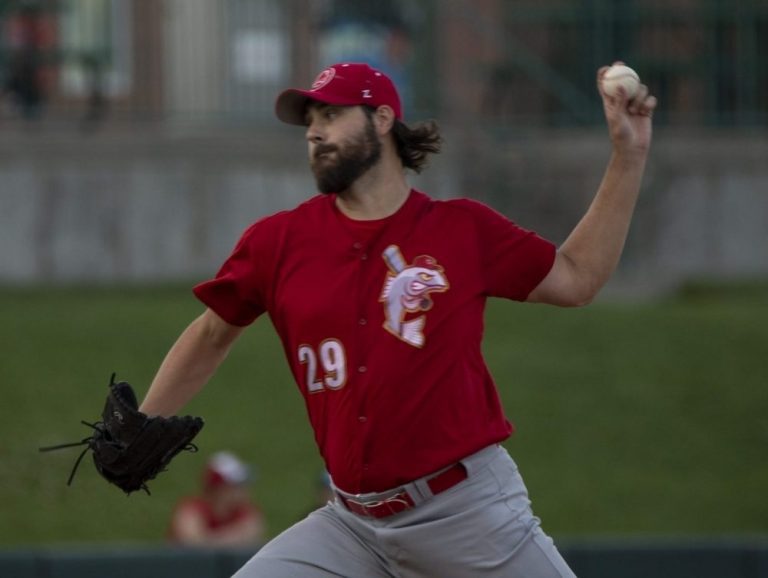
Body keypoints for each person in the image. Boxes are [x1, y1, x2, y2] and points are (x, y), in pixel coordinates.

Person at [139, 61, 656, 576]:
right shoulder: (278, 242)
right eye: (310, 120)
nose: (315, 131)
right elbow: (211, 333)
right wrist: (142, 423)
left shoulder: (462, 231)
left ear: (382, 118)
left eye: (332, 114)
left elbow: (578, 278)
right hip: (350, 526)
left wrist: (628, 157)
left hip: (466, 515)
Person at [167, 451, 265, 548]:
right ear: (218, 489)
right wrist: (235, 537)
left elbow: (252, 533)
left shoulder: (244, 511)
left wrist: (210, 539)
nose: (244, 490)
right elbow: (193, 543)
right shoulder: (193, 509)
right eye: (236, 486)